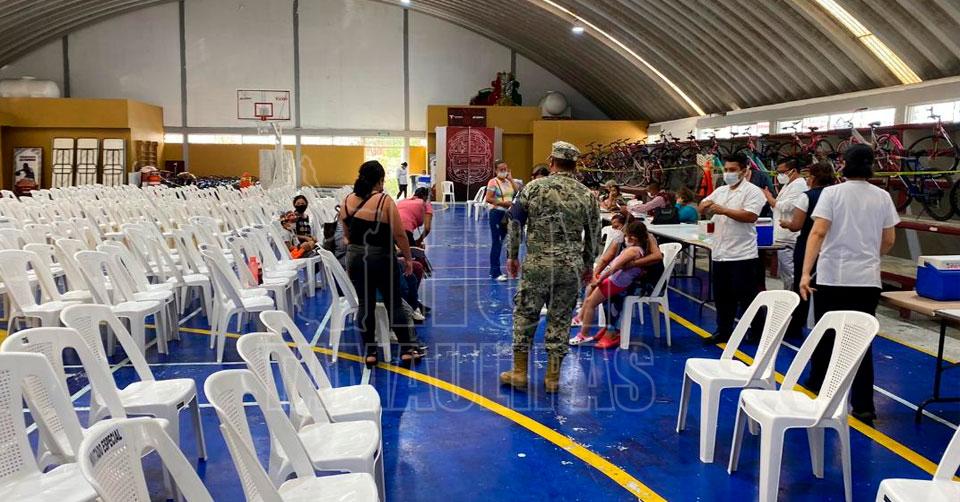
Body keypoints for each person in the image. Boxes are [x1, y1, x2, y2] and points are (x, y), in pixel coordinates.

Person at [799, 144, 898, 423]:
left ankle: (819, 385)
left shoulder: (832, 194)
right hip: (866, 280)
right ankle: (864, 405)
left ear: (844, 164)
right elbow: (889, 239)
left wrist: (806, 273)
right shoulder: (883, 197)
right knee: (861, 341)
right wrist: (868, 257)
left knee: (827, 334)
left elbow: (818, 233)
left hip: (833, 277)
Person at [500, 141, 601, 393]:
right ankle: (552, 379)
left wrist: (512, 256)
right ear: (575, 165)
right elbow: (594, 233)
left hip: (537, 265)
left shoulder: (532, 188)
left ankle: (519, 373)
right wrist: (588, 264)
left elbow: (515, 222)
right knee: (561, 318)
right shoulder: (587, 195)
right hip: (570, 267)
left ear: (552, 161)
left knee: (525, 315)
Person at [340, 160, 423, 367]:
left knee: (365, 305)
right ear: (380, 180)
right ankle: (407, 350)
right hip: (381, 258)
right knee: (393, 304)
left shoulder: (347, 200)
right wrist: (408, 259)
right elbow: (399, 235)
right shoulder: (384, 201)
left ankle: (370, 352)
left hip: (356, 258)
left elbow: (347, 236)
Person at [698, 153, 766, 343]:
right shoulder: (721, 191)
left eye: (732, 170)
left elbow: (750, 216)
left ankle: (757, 331)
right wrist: (704, 205)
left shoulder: (753, 192)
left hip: (742, 255)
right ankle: (723, 331)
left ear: (743, 171)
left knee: (746, 296)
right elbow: (702, 206)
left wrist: (724, 210)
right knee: (722, 296)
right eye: (726, 170)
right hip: (721, 253)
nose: (728, 173)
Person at [570, 220, 664, 348]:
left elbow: (614, 267)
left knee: (595, 301)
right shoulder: (633, 247)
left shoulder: (636, 248)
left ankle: (598, 332)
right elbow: (607, 261)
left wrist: (600, 279)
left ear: (633, 237)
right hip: (618, 280)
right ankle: (598, 325)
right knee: (590, 299)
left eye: (625, 234)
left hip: (626, 282)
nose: (623, 237)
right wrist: (597, 275)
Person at [780, 162, 835, 341]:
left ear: (813, 177)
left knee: (802, 286)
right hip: (831, 247)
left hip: (807, 246)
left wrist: (786, 224)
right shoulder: (836, 195)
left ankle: (796, 325)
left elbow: (796, 225)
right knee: (824, 288)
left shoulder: (807, 197)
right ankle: (823, 327)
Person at [763, 159, 808, 289]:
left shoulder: (799, 185)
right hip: (782, 235)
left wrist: (769, 197)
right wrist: (772, 201)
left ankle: (794, 297)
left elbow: (786, 207)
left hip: (790, 236)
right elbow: (777, 208)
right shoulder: (788, 185)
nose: (779, 175)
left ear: (793, 171)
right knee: (786, 273)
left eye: (782, 172)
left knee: (791, 273)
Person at [485, 160, 519, 280]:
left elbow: (518, 192)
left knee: (506, 241)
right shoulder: (493, 182)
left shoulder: (509, 182)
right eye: (501, 169)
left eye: (505, 169)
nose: (504, 171)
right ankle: (495, 272)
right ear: (496, 170)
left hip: (507, 214)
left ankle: (503, 270)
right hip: (496, 213)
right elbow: (488, 198)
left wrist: (511, 179)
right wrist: (503, 203)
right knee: (497, 242)